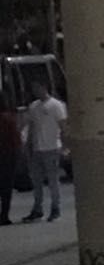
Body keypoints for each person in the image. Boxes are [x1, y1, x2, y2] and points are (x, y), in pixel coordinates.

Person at [22, 80, 68, 223]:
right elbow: (31, 128)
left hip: (52, 147)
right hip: (37, 149)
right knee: (37, 182)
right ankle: (37, 209)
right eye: (33, 88)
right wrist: (29, 146)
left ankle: (55, 208)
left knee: (53, 181)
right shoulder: (34, 106)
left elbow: (63, 126)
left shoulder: (56, 105)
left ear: (44, 87)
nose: (35, 91)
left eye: (37, 87)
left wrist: (65, 146)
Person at [0, 91, 21, 226]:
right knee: (6, 187)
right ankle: (4, 215)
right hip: (9, 155)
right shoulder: (9, 118)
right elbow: (16, 140)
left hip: (4, 154)